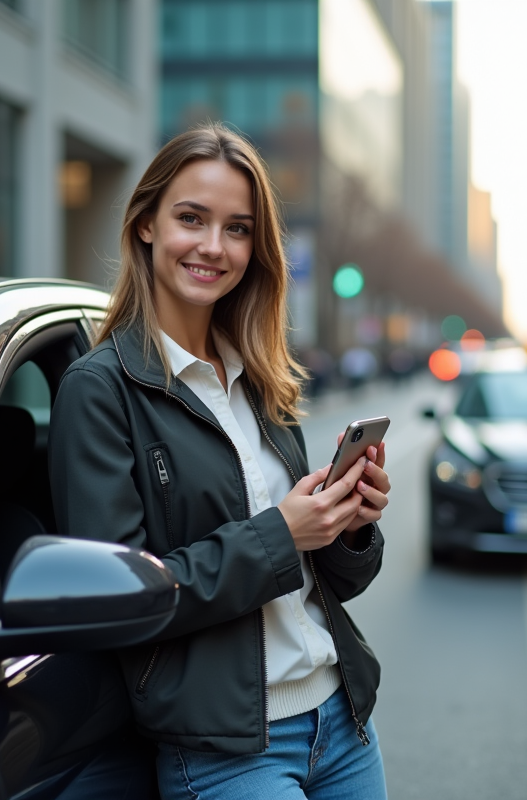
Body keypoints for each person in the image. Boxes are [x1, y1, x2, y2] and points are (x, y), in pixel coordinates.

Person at [49, 123, 391, 799]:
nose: (213, 246)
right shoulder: (100, 389)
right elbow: (116, 602)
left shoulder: (261, 379)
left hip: (342, 721)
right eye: (191, 219)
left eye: (237, 229)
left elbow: (326, 582)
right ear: (145, 224)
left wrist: (346, 525)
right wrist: (282, 533)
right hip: (228, 751)